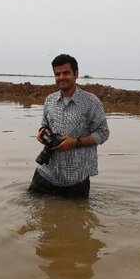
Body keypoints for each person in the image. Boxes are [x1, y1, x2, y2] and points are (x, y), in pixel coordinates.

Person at [29, 54, 110, 198]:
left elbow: (103, 133)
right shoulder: (50, 100)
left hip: (75, 180)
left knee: (76, 218)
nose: (61, 77)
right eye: (57, 74)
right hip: (45, 174)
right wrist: (42, 133)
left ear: (76, 74)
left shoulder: (91, 102)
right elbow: (45, 125)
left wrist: (76, 142)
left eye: (66, 73)